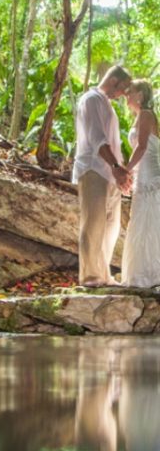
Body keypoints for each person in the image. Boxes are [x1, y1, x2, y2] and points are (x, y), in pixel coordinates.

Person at [72, 65, 132, 287]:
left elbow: (114, 144)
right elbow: (97, 138)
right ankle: (90, 277)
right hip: (93, 169)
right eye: (123, 88)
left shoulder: (108, 105)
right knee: (93, 224)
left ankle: (103, 274)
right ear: (114, 80)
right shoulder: (91, 99)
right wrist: (116, 166)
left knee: (111, 226)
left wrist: (121, 173)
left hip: (110, 173)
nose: (123, 94)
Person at [121, 80, 160, 287]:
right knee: (141, 223)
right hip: (141, 174)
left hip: (149, 176)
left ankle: (152, 275)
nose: (126, 95)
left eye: (130, 92)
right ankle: (141, 274)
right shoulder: (140, 117)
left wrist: (125, 170)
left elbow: (143, 146)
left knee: (150, 222)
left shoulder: (146, 115)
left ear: (140, 95)